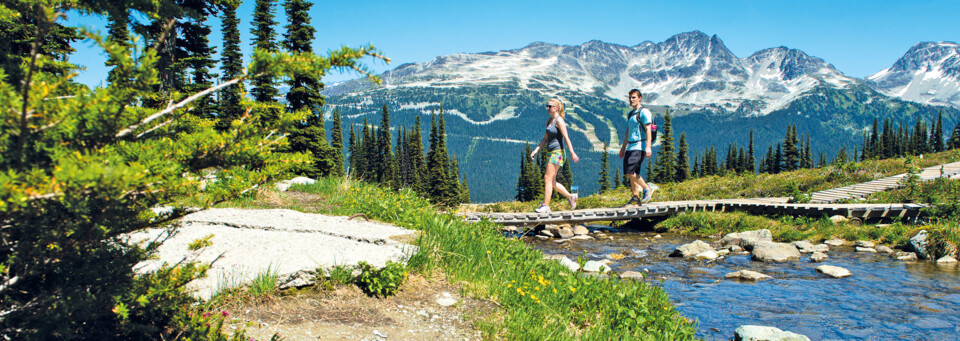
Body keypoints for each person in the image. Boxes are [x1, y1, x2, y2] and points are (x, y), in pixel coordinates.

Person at [530, 98, 579, 213]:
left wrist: (572, 152)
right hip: (550, 152)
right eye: (547, 106)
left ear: (557, 108)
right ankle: (570, 197)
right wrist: (536, 150)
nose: (548, 108)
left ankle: (546, 205)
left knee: (547, 177)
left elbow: (566, 137)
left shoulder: (559, 121)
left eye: (550, 106)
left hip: (558, 152)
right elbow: (545, 138)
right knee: (552, 182)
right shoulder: (549, 121)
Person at [618, 89, 654, 207]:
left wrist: (648, 147)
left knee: (630, 171)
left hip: (640, 145)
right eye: (630, 98)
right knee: (633, 172)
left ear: (640, 98)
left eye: (633, 97)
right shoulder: (631, 114)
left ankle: (646, 188)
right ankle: (635, 198)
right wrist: (623, 147)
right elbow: (628, 132)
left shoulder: (644, 112)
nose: (631, 100)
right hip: (630, 146)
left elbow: (648, 129)